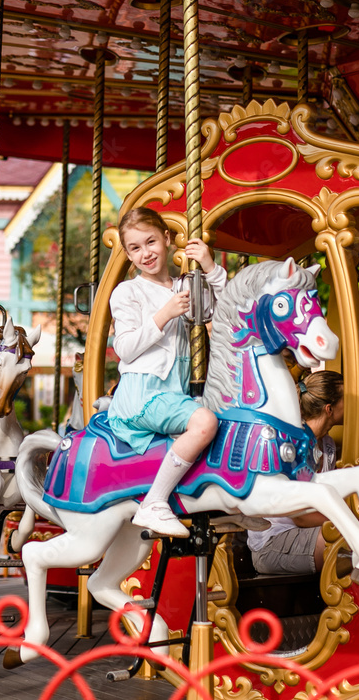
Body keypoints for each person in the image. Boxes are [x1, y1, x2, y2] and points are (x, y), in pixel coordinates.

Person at [108, 207, 227, 538]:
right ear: (128, 254)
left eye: (150, 242)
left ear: (168, 239)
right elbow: (126, 347)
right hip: (143, 393)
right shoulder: (128, 292)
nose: (145, 253)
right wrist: (163, 315)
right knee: (204, 422)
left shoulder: (185, 285)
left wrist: (210, 266)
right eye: (135, 248)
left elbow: (228, 308)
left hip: (174, 391)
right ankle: (154, 503)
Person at [247, 370, 344, 575]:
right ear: (329, 409)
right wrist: (346, 519)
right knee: (349, 543)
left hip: (305, 532)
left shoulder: (327, 446)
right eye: (346, 400)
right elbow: (299, 516)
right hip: (273, 541)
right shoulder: (289, 444)